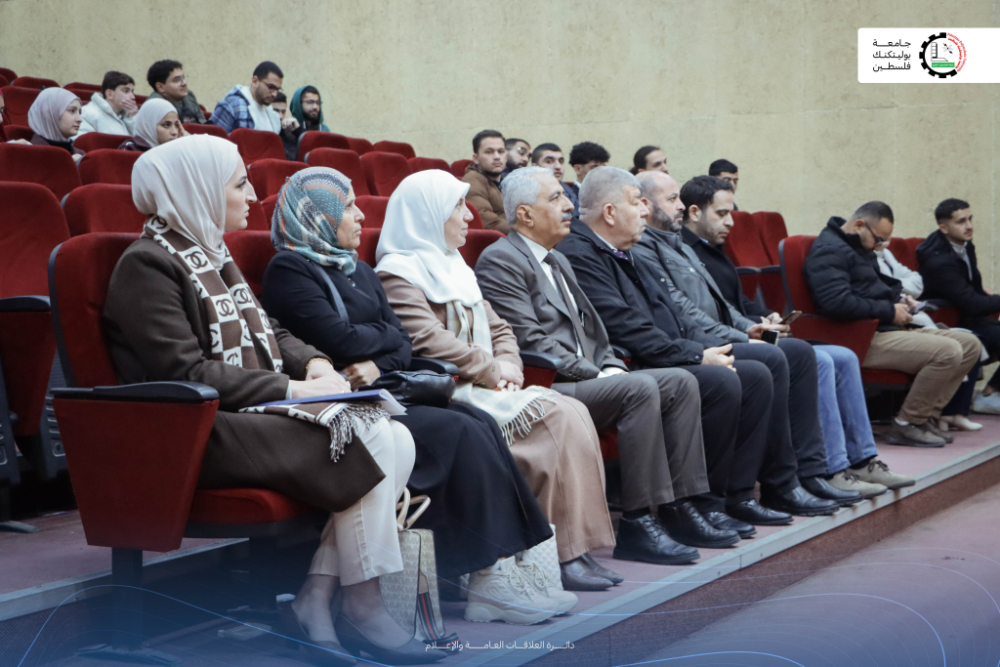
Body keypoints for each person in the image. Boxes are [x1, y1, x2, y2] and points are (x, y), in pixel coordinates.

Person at [103, 135, 444, 665]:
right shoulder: (147, 264)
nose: (252, 197)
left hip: (243, 416)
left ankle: (317, 598)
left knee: (397, 434)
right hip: (193, 429)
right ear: (198, 190)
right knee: (375, 435)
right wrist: (293, 389)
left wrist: (313, 362)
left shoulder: (212, 252)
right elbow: (183, 372)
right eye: (239, 184)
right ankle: (361, 603)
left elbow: (270, 330)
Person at [262, 167, 572, 624]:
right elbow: (341, 340)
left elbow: (402, 343)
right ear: (318, 217)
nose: (360, 215)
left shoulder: (359, 269)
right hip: (347, 405)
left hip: (383, 388)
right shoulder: (290, 270)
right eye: (347, 207)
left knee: (479, 422)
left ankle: (498, 570)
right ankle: (487, 575)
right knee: (457, 432)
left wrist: (375, 356)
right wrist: (379, 343)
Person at [477, 166, 744, 560]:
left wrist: (611, 363)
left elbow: (596, 333)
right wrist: (599, 372)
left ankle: (680, 505)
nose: (569, 206)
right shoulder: (501, 260)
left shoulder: (558, 259)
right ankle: (638, 522)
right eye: (555, 198)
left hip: (590, 375)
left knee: (680, 381)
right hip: (549, 382)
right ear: (525, 214)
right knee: (641, 387)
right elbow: (529, 341)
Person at [376, 170, 621, 592]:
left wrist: (509, 364)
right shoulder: (397, 272)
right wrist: (492, 370)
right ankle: (558, 553)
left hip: (488, 383)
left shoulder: (456, 266)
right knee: (555, 417)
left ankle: (572, 549)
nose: (469, 215)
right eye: (457, 206)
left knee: (572, 409)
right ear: (428, 214)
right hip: (451, 389)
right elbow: (426, 338)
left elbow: (502, 328)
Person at [557, 167, 835, 521]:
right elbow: (625, 327)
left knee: (772, 361)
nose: (644, 210)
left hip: (671, 348)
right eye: (638, 202)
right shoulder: (584, 253)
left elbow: (674, 310)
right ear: (610, 212)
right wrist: (697, 354)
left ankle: (754, 490)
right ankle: (710, 502)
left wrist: (717, 342)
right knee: (735, 377)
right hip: (635, 361)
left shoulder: (626, 247)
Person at [635, 173, 912, 496]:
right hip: (704, 341)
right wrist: (745, 332)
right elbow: (685, 311)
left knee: (841, 357)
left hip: (727, 332)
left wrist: (756, 322)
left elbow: (730, 303)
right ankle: (814, 471)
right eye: (722, 213)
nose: (730, 222)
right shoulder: (664, 247)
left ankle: (856, 461)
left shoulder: (690, 247)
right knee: (805, 358)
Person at [804, 201, 981, 447]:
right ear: (859, 225)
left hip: (881, 328)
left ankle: (925, 417)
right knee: (948, 351)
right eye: (879, 240)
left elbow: (874, 288)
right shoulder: (829, 251)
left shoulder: (858, 246)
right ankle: (907, 424)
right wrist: (890, 311)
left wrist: (899, 299)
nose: (880, 246)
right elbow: (836, 303)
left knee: (970, 344)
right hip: (859, 337)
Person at [918, 198, 1000, 420]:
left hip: (967, 314)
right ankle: (986, 397)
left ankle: (990, 393)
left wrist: (987, 295)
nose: (969, 226)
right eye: (961, 221)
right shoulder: (939, 261)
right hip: (948, 320)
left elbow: (973, 288)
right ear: (943, 228)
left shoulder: (964, 244)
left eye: (970, 219)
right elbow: (972, 303)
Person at [211, 61, 285, 134]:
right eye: (271, 87)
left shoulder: (272, 114)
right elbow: (214, 138)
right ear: (255, 81)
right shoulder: (232, 106)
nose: (274, 94)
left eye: (277, 90)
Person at [462, 129, 508, 233]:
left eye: (501, 151)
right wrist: (529, 232)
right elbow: (489, 223)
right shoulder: (472, 180)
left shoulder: (508, 181)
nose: (497, 157)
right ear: (476, 158)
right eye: (489, 152)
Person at [26, 88, 84, 162]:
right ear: (50, 113)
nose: (80, 119)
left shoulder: (81, 155)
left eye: (79, 112)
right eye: (72, 111)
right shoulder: (28, 154)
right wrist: (66, 164)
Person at [146, 60, 207, 124]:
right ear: (160, 87)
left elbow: (203, 124)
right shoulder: (154, 106)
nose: (184, 83)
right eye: (177, 80)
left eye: (183, 78)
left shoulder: (189, 95)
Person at [78, 71, 137, 136]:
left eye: (132, 92)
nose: (133, 97)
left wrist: (131, 119)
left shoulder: (129, 116)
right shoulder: (87, 113)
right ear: (109, 94)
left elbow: (139, 140)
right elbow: (82, 140)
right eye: (126, 91)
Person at [118, 99, 187, 151]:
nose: (174, 132)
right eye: (166, 125)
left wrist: (188, 142)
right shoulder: (130, 150)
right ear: (148, 126)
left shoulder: (179, 150)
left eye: (176, 125)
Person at [279, 85, 327, 160]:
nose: (315, 106)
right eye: (310, 102)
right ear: (298, 104)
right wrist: (297, 131)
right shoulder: (289, 129)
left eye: (318, 103)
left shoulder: (325, 130)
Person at [532, 142, 578, 213]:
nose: (558, 166)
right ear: (535, 167)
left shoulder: (570, 192)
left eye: (561, 161)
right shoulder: (528, 195)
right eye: (549, 161)